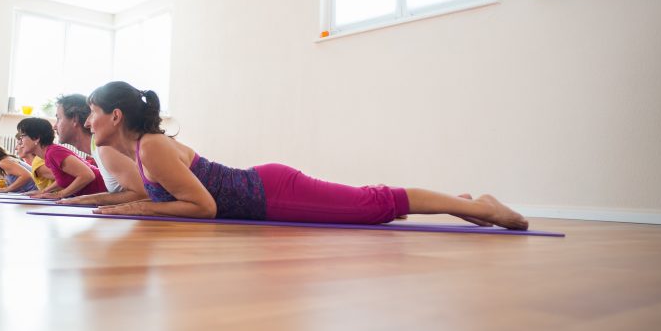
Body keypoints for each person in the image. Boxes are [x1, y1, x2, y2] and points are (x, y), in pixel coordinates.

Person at [85, 81, 529, 230]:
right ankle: (464, 201)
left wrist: (138, 209)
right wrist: (94, 204)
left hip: (271, 194)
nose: (88, 123)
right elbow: (153, 199)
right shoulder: (146, 151)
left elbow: (204, 207)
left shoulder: (153, 148)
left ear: (116, 115)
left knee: (372, 205)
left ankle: (482, 208)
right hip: (265, 191)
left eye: (92, 113)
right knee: (368, 202)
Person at [53, 94, 147, 206]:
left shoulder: (105, 148)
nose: (54, 126)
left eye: (58, 118)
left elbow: (142, 194)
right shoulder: (98, 148)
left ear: (75, 119)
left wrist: (85, 199)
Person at [16, 117, 107, 199]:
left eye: (22, 136)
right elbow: (63, 180)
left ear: (36, 138)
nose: (20, 142)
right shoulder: (48, 154)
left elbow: (88, 175)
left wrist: (60, 194)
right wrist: (43, 191)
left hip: (105, 191)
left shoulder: (53, 152)